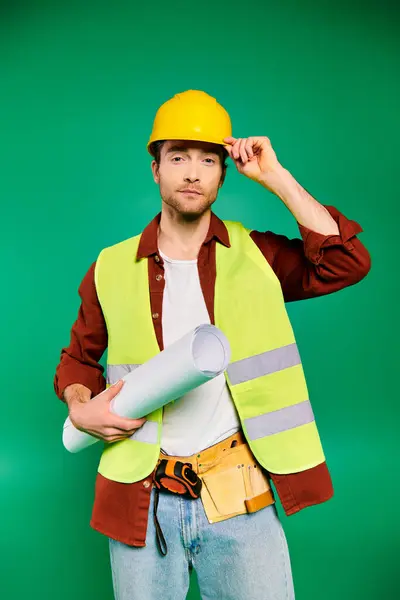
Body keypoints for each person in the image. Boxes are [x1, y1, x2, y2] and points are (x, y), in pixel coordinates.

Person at [54, 90, 371, 600]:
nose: (193, 172)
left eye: (208, 159)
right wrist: (80, 406)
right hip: (144, 497)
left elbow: (345, 262)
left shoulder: (258, 255)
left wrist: (277, 178)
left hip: (239, 493)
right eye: (177, 157)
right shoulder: (110, 267)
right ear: (155, 169)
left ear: (224, 174)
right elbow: (78, 359)